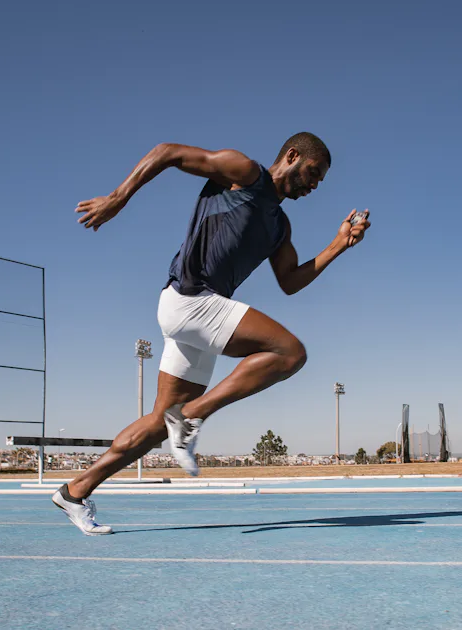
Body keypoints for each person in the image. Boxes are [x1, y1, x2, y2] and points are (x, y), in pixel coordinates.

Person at [51, 133, 371, 534]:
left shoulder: (279, 225)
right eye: (312, 173)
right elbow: (168, 152)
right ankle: (191, 417)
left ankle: (75, 491)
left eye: (320, 181)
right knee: (290, 353)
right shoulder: (244, 173)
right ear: (291, 156)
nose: (314, 185)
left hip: (198, 315)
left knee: (157, 424)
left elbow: (290, 280)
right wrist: (117, 198)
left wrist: (339, 244)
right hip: (190, 300)